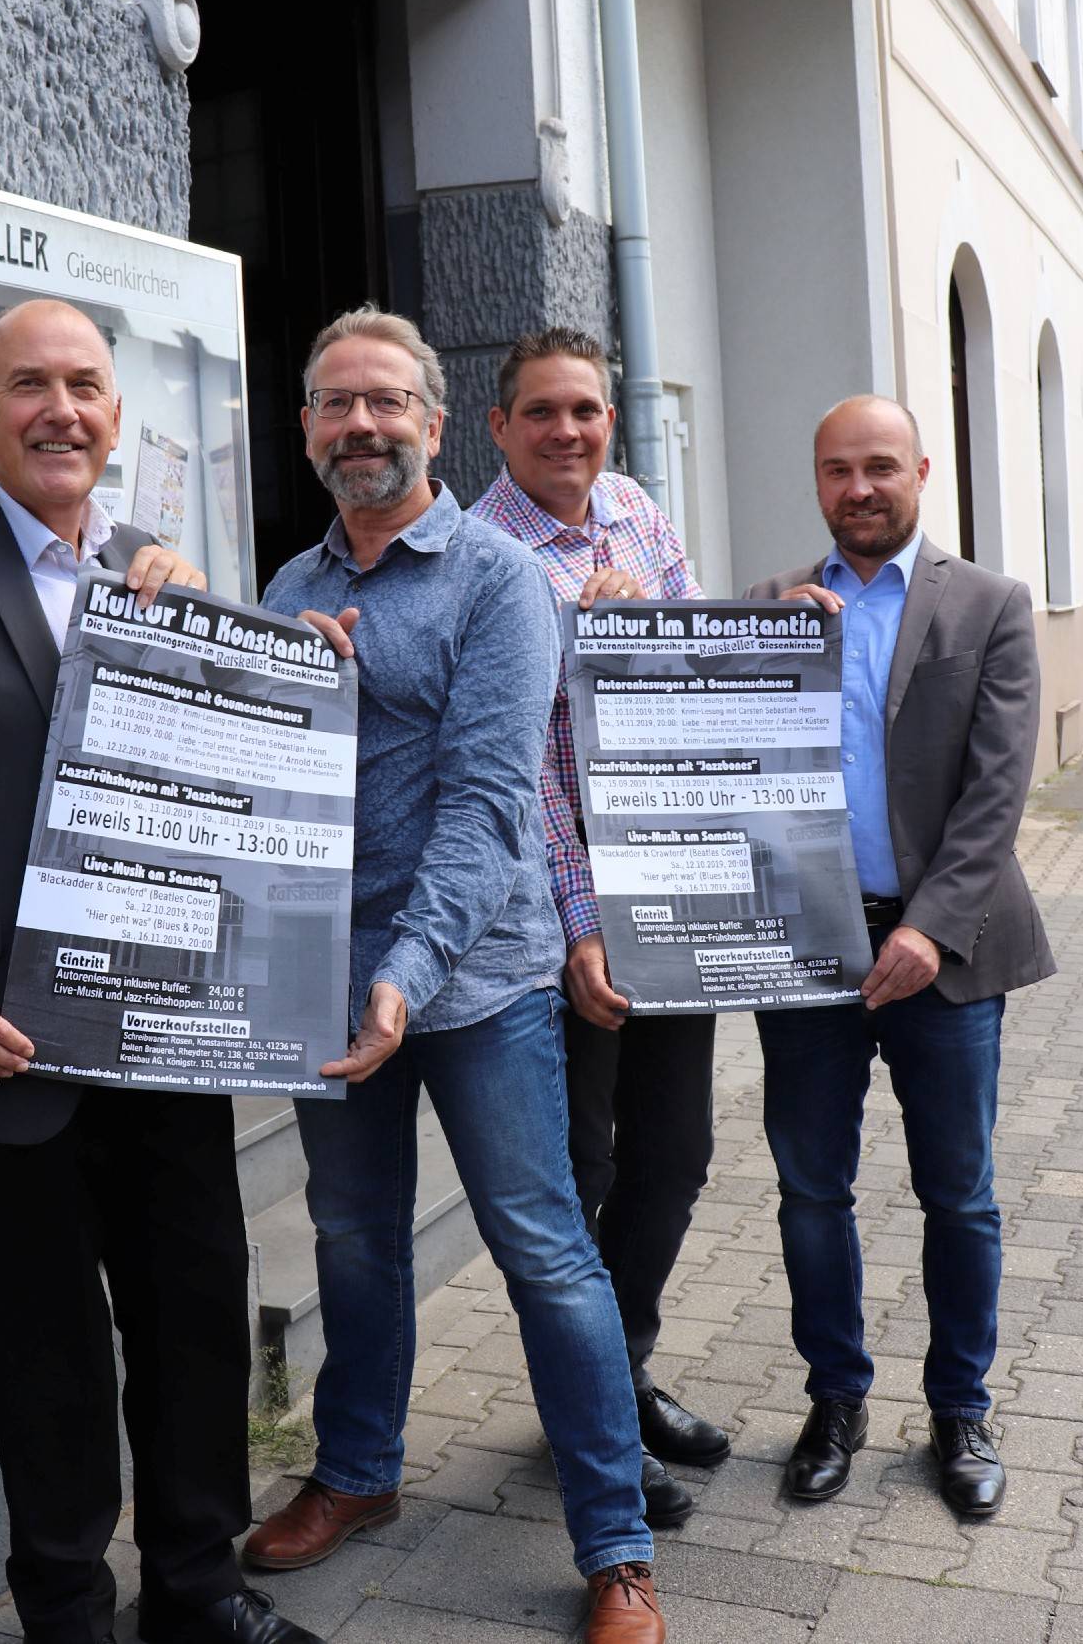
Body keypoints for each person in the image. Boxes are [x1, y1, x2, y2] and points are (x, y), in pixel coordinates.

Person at [0, 297, 323, 1644]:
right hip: (5, 1053)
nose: (60, 410)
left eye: (85, 384)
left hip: (170, 1040)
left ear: (117, 416)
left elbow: (235, 811)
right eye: (29, 385)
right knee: (51, 1357)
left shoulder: (162, 571)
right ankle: (69, 1615)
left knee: (199, 1324)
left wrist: (227, 656)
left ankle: (197, 1593)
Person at [243, 306, 666, 1644]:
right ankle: (358, 1472)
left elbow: (491, 812)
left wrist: (405, 978)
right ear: (305, 427)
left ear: (434, 423)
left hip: (479, 981)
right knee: (355, 1242)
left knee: (542, 1250)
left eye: (386, 404)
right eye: (333, 404)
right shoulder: (285, 594)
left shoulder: (498, 581)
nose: (359, 426)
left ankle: (616, 1548)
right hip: (324, 980)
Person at [744, 394, 1053, 1520]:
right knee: (810, 1189)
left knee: (958, 1194)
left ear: (920, 469)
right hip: (810, 951)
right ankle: (835, 1401)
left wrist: (927, 923)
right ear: (817, 479)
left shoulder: (989, 603)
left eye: (880, 465)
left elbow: (994, 791)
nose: (859, 487)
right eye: (837, 469)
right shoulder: (776, 607)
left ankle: (959, 1409)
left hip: (945, 948)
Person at [472, 327, 730, 1527]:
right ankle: (595, 1419)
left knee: (674, 1155)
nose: (566, 430)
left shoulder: (639, 511)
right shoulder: (479, 555)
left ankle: (618, 1369)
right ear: (499, 428)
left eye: (584, 409)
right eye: (541, 412)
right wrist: (582, 921)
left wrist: (661, 632)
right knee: (584, 1170)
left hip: (674, 894)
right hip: (553, 921)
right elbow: (515, 763)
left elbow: (693, 686)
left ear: (610, 421)